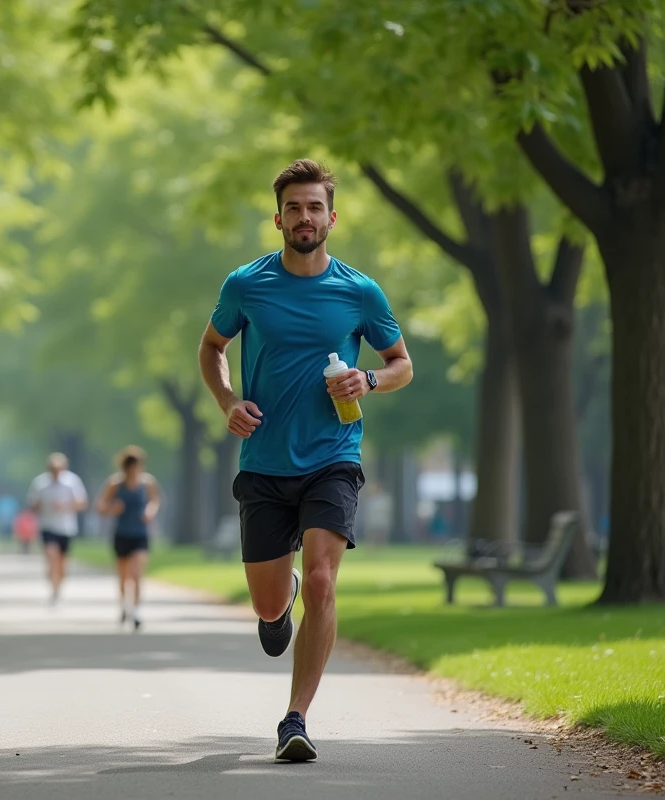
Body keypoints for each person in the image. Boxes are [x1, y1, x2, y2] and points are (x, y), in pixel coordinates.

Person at [197, 159, 413, 762]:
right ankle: (279, 595)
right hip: (264, 460)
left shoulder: (359, 291)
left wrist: (368, 379)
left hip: (332, 457)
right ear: (278, 219)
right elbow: (212, 347)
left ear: (332, 217)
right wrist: (227, 401)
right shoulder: (246, 284)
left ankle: (295, 718)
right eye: (294, 207)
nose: (304, 217)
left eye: (315, 206)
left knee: (324, 579)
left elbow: (402, 363)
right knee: (270, 607)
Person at [96, 445, 160, 631]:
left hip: (140, 534)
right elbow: (101, 506)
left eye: (137, 465)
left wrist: (150, 511)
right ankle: (125, 606)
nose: (134, 469)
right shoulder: (114, 484)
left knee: (137, 573)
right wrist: (112, 508)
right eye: (130, 465)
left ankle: (136, 612)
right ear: (125, 466)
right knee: (124, 576)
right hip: (122, 534)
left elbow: (154, 501)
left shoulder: (147, 483)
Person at [26, 452, 89, 604]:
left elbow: (82, 503)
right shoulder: (40, 483)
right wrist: (40, 505)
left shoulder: (72, 482)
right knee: (51, 553)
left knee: (62, 562)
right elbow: (32, 505)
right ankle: (52, 583)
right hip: (47, 526)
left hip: (66, 527)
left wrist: (65, 505)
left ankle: (58, 584)